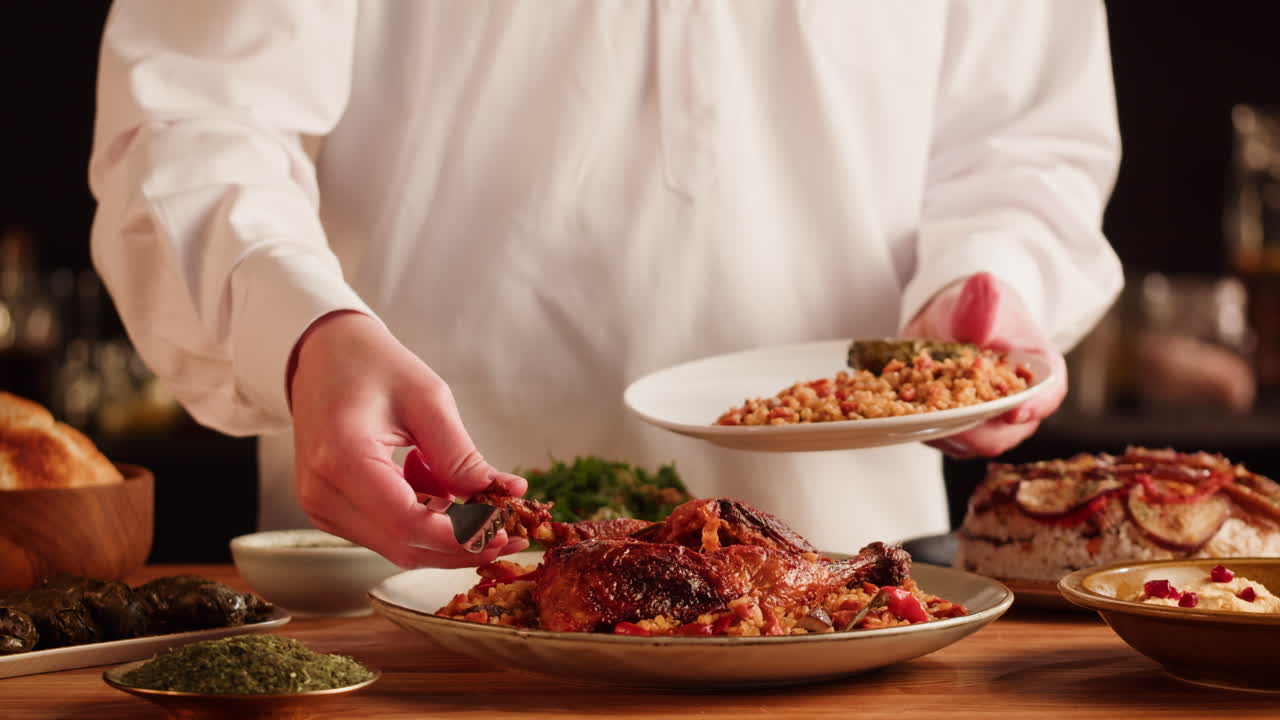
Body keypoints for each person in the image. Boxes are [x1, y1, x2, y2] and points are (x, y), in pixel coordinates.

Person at [89, 1, 1123, 569]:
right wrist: (301, 331)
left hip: (855, 574)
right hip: (419, 560)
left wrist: (984, 289)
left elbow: (1020, 139)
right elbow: (190, 119)